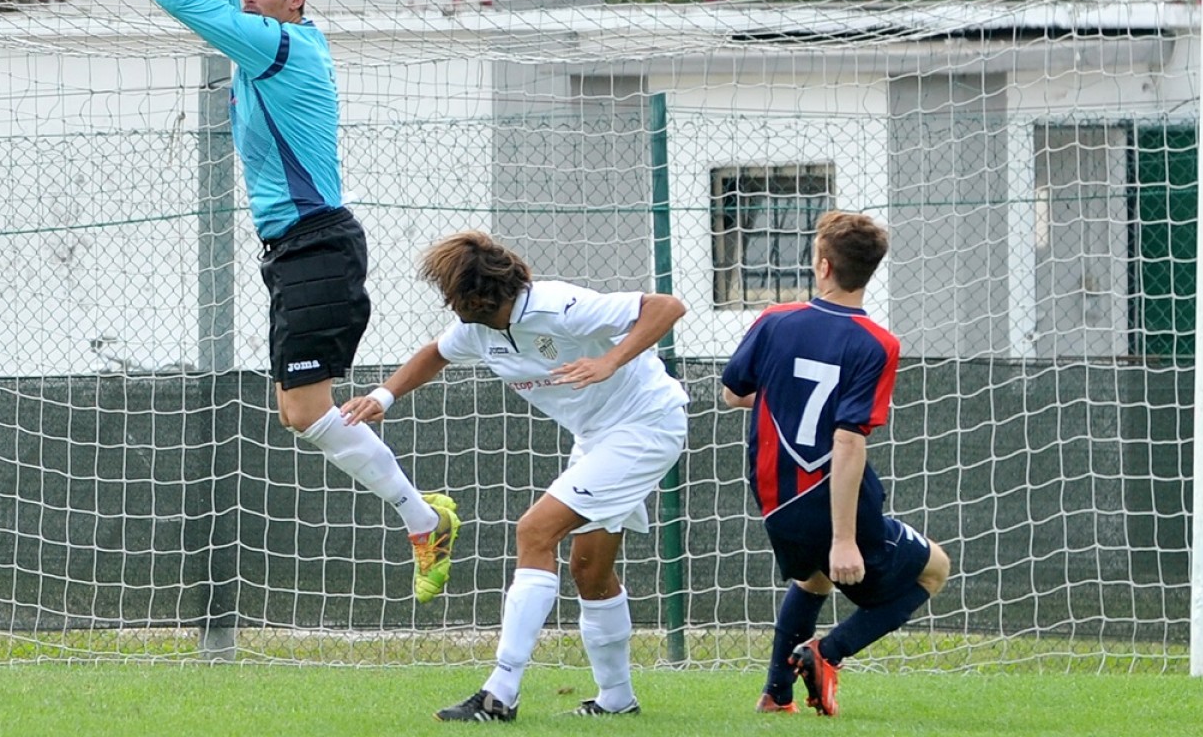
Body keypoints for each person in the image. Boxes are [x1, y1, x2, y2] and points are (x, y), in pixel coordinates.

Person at [150, 0, 459, 604]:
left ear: (297, 2)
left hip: (316, 245)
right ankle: (424, 518)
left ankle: (424, 519)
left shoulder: (283, 49)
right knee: (301, 411)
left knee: (302, 410)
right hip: (298, 250)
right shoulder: (267, 39)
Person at [341, 231, 689, 721]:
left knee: (534, 530)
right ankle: (617, 700)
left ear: (477, 294)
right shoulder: (479, 331)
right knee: (589, 573)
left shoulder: (559, 306)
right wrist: (382, 398)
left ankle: (499, 693)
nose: (446, 303)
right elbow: (434, 353)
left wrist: (609, 361)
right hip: (598, 439)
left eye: (450, 293)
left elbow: (667, 306)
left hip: (645, 425)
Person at [720, 211, 951, 716]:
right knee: (935, 568)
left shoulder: (775, 320)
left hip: (774, 499)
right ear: (869, 271)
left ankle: (776, 694)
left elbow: (733, 393)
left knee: (813, 579)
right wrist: (845, 538)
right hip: (833, 499)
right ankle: (828, 652)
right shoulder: (877, 343)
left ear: (822, 265)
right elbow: (848, 443)